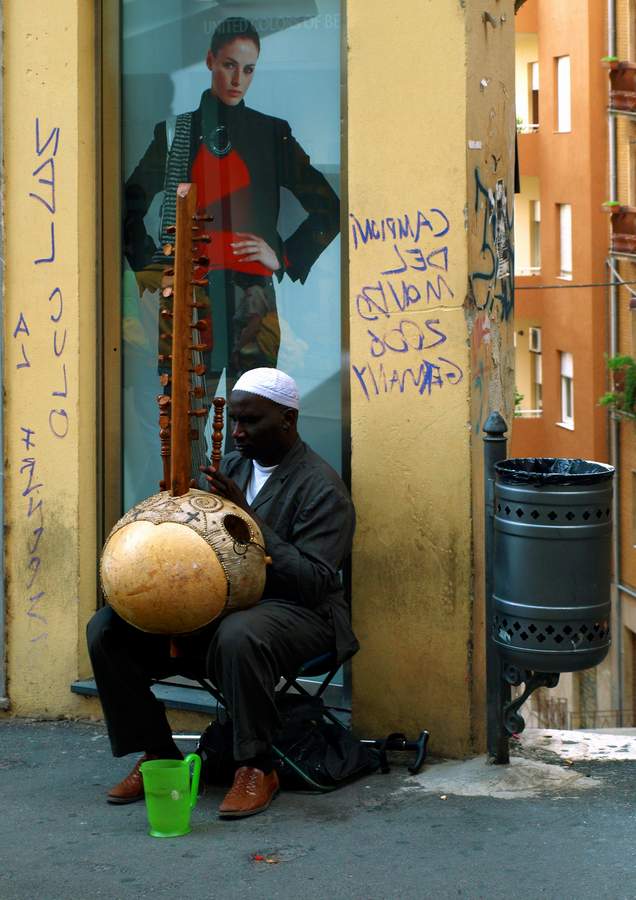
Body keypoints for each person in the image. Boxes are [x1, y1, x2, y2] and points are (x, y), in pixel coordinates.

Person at [87, 369, 357, 819]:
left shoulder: (322, 487)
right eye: (235, 420)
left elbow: (313, 581)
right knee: (108, 628)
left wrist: (251, 521)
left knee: (238, 633)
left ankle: (256, 765)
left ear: (287, 420)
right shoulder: (229, 465)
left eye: (250, 421)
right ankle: (158, 754)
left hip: (302, 615)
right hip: (227, 607)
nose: (237, 432)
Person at [124, 16, 340, 390]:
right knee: (186, 421)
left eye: (248, 69)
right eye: (229, 65)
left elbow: (330, 209)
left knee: (253, 419)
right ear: (210, 61)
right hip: (189, 297)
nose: (238, 79)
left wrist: (284, 256)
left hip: (252, 298)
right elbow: (127, 206)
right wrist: (153, 267)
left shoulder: (272, 134)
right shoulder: (175, 133)